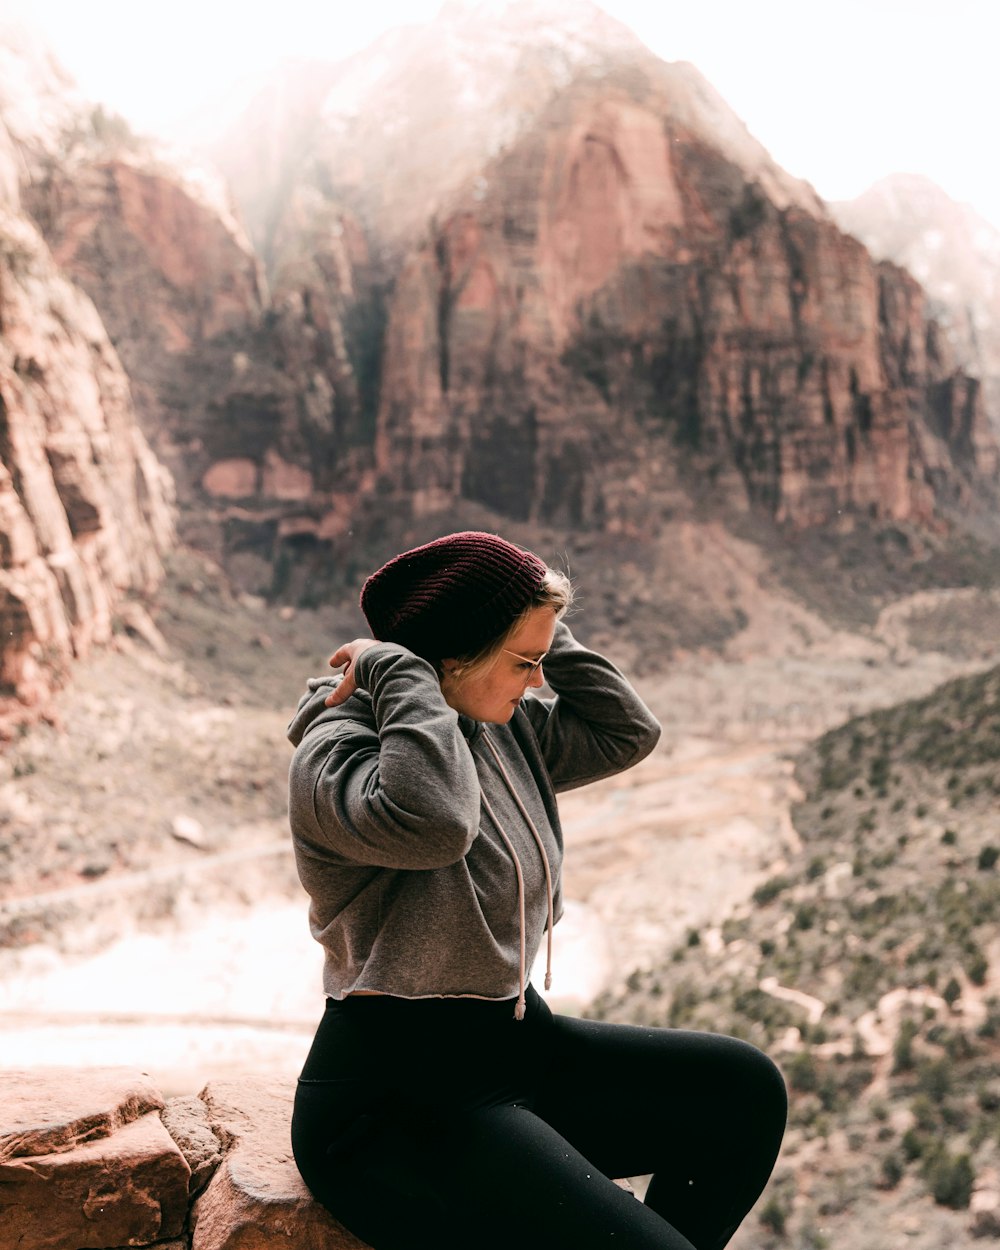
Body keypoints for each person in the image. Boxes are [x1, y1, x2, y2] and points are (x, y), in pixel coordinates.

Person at [287, 531, 786, 1250]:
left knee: (741, 1092)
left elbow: (626, 732)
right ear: (452, 660)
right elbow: (436, 824)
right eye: (524, 664)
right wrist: (401, 675)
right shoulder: (337, 753)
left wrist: (541, 624)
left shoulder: (499, 726)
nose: (535, 683)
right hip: (400, 1102)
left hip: (512, 1050)